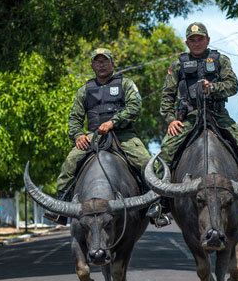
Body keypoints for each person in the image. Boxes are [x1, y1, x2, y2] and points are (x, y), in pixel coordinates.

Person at [153, 22, 238, 215]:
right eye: (192, 40)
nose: (196, 43)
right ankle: (159, 202)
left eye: (200, 39)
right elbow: (167, 96)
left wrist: (212, 88)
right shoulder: (178, 64)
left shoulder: (220, 60)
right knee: (167, 151)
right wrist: (171, 119)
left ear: (207, 40)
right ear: (187, 42)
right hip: (189, 117)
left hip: (218, 115)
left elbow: (233, 85)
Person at [46, 47, 159, 224]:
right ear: (92, 65)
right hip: (94, 137)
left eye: (105, 61)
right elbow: (74, 117)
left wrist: (113, 122)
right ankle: (61, 207)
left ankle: (156, 206)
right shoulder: (84, 89)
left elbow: (135, 107)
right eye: (97, 61)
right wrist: (77, 135)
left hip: (123, 135)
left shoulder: (125, 84)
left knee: (146, 162)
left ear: (112, 63)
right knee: (69, 163)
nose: (101, 65)